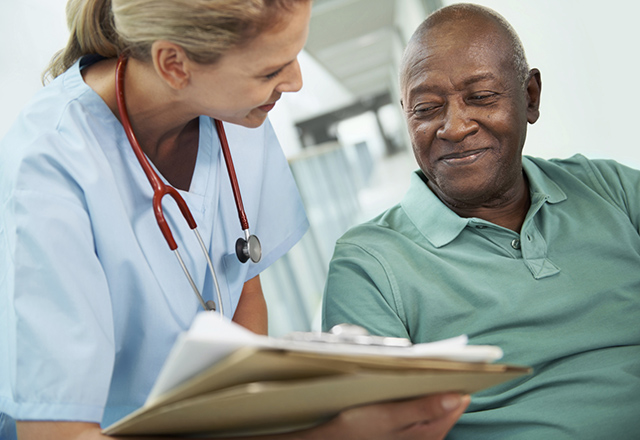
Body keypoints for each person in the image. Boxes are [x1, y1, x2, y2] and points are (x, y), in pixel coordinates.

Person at [0, 0, 471, 439]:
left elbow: (245, 289)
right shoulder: (49, 168)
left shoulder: (239, 116)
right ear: (173, 65)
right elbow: (57, 432)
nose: (295, 81)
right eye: (270, 69)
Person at [323, 3, 640, 439]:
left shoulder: (612, 189)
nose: (453, 127)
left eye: (482, 97)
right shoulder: (369, 265)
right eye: (426, 108)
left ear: (529, 96)